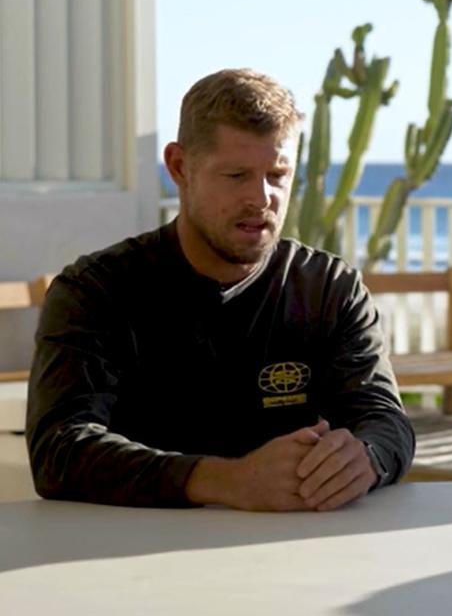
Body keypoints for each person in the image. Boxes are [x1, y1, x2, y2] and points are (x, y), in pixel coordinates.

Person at [26, 68, 416, 510]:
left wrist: (366, 458)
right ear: (179, 167)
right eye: (236, 175)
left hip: (296, 554)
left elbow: (386, 421)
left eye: (277, 174)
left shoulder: (329, 288)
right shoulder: (95, 292)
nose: (262, 197)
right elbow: (59, 448)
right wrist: (222, 481)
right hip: (135, 558)